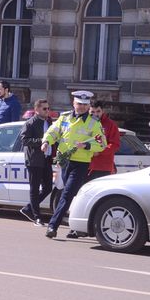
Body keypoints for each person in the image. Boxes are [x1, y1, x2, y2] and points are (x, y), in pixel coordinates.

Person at [41, 90, 106, 240]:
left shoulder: (94, 123)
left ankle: (53, 226)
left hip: (81, 163)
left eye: (85, 105)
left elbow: (102, 144)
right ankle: (77, 225)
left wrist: (87, 146)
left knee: (67, 193)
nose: (82, 107)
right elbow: (53, 132)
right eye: (79, 104)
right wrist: (46, 142)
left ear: (88, 106)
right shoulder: (64, 118)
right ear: (73, 103)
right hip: (64, 161)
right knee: (69, 194)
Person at [62, 100, 122, 238]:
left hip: (102, 167)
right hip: (85, 165)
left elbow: (114, 145)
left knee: (98, 198)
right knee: (81, 197)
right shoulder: (83, 123)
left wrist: (99, 152)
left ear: (103, 111)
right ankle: (78, 228)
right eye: (92, 111)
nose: (95, 114)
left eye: (98, 111)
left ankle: (97, 227)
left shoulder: (110, 125)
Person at [18, 98, 53, 226]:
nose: (47, 111)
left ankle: (28, 208)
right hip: (34, 160)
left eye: (48, 108)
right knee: (34, 188)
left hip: (47, 159)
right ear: (37, 109)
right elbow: (24, 140)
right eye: (44, 108)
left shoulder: (49, 122)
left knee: (48, 187)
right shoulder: (30, 123)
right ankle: (37, 217)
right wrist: (41, 141)